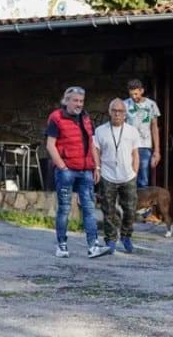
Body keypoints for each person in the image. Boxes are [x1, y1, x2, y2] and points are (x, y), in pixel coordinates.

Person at [45, 86, 111, 259]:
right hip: (67, 170)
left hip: (86, 170)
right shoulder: (56, 118)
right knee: (65, 208)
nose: (79, 104)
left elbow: (92, 144)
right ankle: (62, 245)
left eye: (81, 101)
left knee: (89, 209)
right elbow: (50, 145)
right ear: (66, 101)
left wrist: (96, 166)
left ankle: (93, 246)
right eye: (75, 100)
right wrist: (62, 166)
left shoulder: (86, 118)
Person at [92, 98, 140, 254]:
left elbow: (135, 153)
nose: (117, 114)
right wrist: (97, 168)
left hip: (128, 176)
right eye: (114, 111)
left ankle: (126, 236)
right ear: (109, 112)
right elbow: (96, 150)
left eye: (120, 111)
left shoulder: (132, 131)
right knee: (108, 210)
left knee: (131, 209)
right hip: (108, 175)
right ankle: (111, 239)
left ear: (125, 114)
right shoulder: (100, 130)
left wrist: (135, 171)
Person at [123, 79, 161, 188]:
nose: (134, 97)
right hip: (129, 146)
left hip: (145, 145)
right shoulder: (125, 104)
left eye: (136, 93)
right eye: (131, 94)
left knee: (143, 177)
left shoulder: (151, 105)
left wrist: (157, 151)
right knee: (129, 176)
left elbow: (154, 128)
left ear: (142, 91)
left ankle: (142, 204)